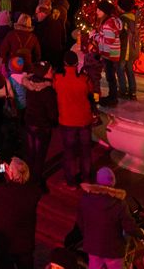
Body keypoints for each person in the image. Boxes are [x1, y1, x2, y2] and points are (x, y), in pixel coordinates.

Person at [76, 166, 136, 269]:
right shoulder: (119, 204)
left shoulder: (85, 199)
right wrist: (138, 233)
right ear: (113, 182)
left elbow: (81, 222)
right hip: (114, 249)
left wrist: (88, 236)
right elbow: (129, 227)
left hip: (93, 246)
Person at [55, 51, 96, 186]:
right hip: (84, 120)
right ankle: (86, 178)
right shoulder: (84, 79)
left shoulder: (58, 79)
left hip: (67, 121)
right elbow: (92, 92)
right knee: (85, 151)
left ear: (64, 63)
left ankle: (71, 182)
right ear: (77, 64)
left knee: (69, 152)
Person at [22, 61, 58, 191]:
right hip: (42, 126)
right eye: (50, 71)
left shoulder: (30, 85)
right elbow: (52, 112)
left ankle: (28, 176)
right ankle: (35, 182)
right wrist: (54, 122)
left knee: (31, 153)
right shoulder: (47, 91)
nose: (52, 72)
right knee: (40, 155)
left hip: (30, 123)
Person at [93, 2, 124, 107]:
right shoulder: (111, 22)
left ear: (105, 12)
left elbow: (108, 41)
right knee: (110, 76)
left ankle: (112, 98)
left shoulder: (108, 24)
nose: (96, 12)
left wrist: (94, 36)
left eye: (99, 10)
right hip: (112, 53)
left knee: (110, 76)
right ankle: (112, 97)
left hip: (110, 54)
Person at [116, 0, 140, 99]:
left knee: (120, 69)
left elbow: (120, 35)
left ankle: (123, 91)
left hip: (124, 50)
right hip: (133, 50)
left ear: (121, 8)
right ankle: (133, 92)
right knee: (129, 70)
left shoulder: (122, 20)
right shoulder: (134, 18)